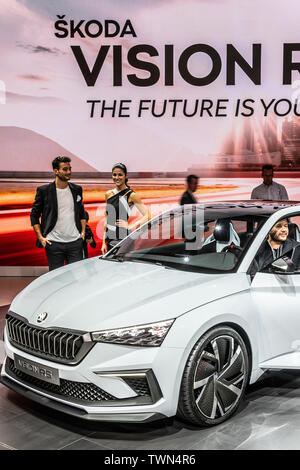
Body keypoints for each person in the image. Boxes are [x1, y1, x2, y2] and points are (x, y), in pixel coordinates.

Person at [30, 156, 86, 271]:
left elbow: (82, 213)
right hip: (53, 244)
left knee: (77, 278)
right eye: (65, 169)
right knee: (56, 280)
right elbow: (34, 215)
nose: (69, 172)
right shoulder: (44, 191)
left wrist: (83, 233)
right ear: (56, 171)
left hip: (75, 243)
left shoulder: (77, 189)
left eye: (70, 168)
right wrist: (41, 237)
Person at [101, 163, 151, 254]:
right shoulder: (108, 194)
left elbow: (148, 215)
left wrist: (131, 226)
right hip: (110, 241)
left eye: (120, 174)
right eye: (114, 174)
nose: (117, 177)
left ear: (125, 175)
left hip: (124, 241)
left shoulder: (131, 195)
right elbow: (107, 218)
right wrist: (103, 242)